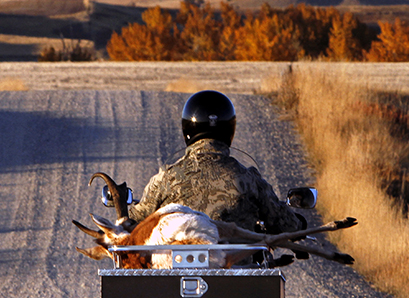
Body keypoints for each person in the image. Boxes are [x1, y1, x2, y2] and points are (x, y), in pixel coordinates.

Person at [127, 90, 304, 235]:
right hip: (238, 267)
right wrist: (300, 223)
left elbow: (134, 221)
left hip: (176, 267)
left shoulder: (165, 179)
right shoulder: (249, 179)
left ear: (187, 128)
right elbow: (285, 224)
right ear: (229, 128)